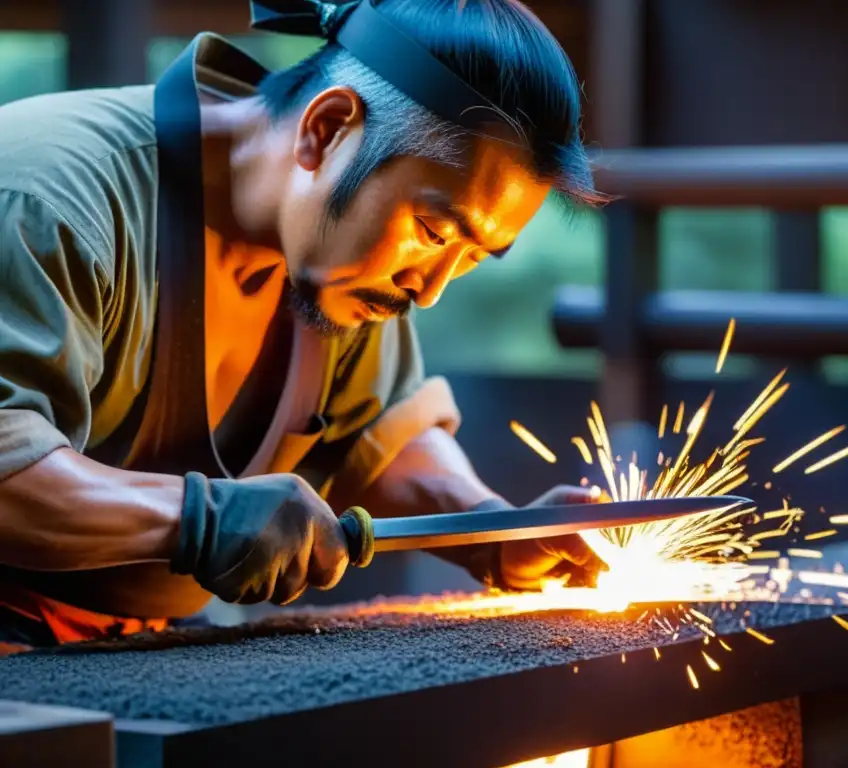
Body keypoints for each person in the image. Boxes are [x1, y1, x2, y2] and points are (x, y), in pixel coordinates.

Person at [0, 0, 607, 648]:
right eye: (433, 232)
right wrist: (202, 520)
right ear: (326, 128)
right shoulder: (46, 202)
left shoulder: (340, 262)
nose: (428, 289)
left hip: (127, 648)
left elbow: (374, 435)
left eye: (472, 258)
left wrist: (488, 526)